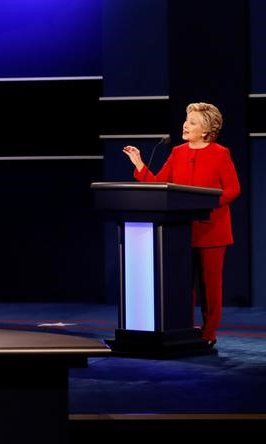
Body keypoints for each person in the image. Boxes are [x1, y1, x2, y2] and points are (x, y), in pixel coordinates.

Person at [122, 102, 240, 347]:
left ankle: (209, 333)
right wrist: (139, 164)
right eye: (187, 120)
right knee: (183, 285)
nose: (186, 125)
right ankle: (184, 329)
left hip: (212, 231)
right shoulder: (177, 152)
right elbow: (159, 184)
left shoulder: (220, 153)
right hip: (181, 231)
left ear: (206, 131)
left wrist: (206, 204)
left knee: (210, 287)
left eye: (193, 122)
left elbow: (232, 189)